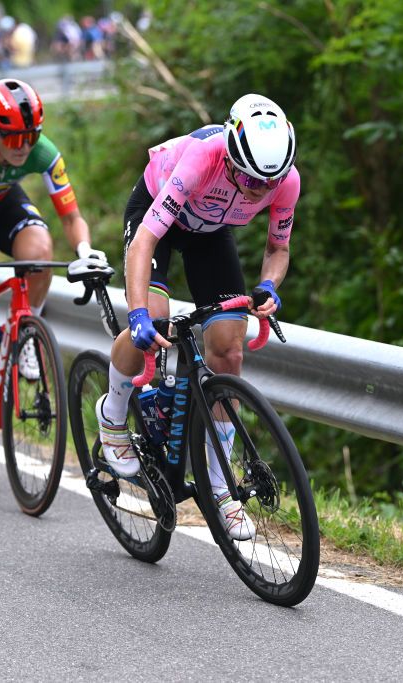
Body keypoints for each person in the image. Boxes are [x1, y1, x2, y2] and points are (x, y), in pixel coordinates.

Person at [96, 94, 299, 540]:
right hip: (158, 217)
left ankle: (220, 486)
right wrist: (136, 315)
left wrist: (268, 286)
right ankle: (112, 414)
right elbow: (147, 239)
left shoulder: (283, 180)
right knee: (153, 317)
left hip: (211, 234)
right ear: (231, 154)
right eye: (249, 178)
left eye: (269, 183)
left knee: (228, 350)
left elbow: (277, 249)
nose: (258, 191)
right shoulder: (202, 158)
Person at [0, 78, 110, 468]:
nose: (24, 148)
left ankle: (26, 330)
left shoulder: (41, 152)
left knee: (40, 250)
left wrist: (84, 250)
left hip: (1, 201)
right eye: (13, 140)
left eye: (31, 137)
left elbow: (71, 215)